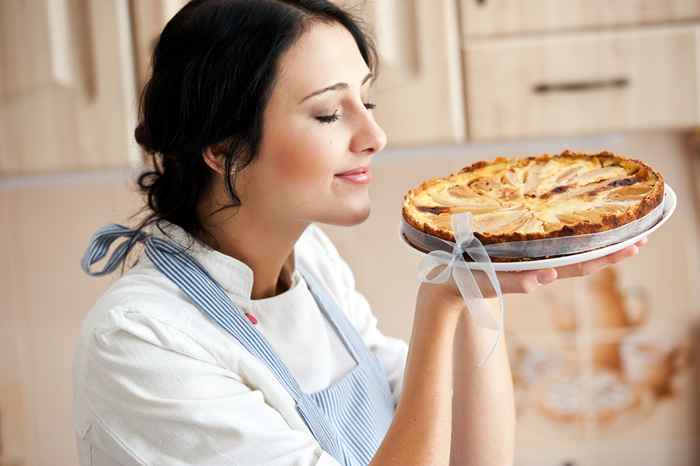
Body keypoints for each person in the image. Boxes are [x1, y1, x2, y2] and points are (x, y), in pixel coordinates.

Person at [73, 1, 649, 465]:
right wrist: (438, 302)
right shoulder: (141, 339)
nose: (374, 134)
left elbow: (470, 458)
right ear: (223, 148)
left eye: (366, 100)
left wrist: (481, 287)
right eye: (329, 113)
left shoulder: (313, 262)